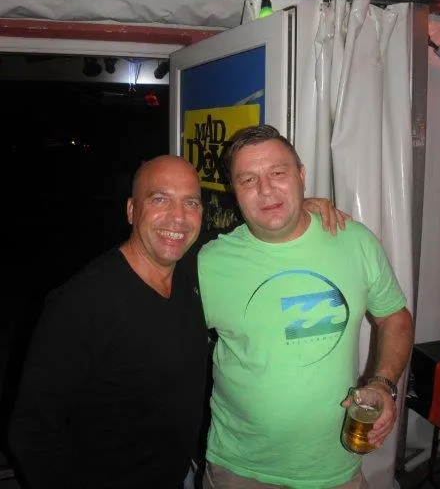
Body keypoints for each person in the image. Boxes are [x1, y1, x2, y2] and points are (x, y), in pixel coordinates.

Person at [7, 154, 345, 489]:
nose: (178, 217)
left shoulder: (191, 269)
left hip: (178, 474)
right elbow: (32, 430)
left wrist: (293, 209)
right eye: (159, 199)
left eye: (191, 203)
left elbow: (243, 233)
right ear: (131, 210)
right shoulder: (83, 302)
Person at [198, 125, 413, 489]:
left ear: (301, 175)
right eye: (248, 180)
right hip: (239, 467)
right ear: (234, 191)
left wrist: (383, 382)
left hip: (333, 466)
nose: (266, 190)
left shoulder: (355, 241)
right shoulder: (209, 263)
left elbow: (394, 317)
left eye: (278, 173)